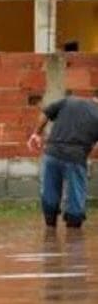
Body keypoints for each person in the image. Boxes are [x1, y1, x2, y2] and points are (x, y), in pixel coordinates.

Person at [27, 91, 98, 228]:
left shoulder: (69, 101)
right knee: (76, 199)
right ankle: (73, 238)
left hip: (52, 153)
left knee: (49, 193)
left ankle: (50, 229)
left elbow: (46, 113)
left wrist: (36, 134)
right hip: (75, 158)